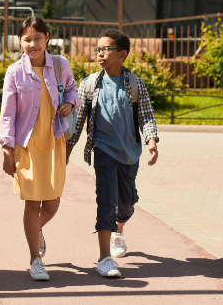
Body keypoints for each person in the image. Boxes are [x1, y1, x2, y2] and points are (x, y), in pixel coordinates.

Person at [66, 28, 159, 278]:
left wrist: (151, 141)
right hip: (103, 150)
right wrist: (67, 149)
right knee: (106, 201)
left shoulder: (135, 83)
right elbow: (78, 121)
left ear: (122, 54)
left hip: (130, 153)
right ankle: (104, 258)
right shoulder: (89, 84)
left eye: (106, 49)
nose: (100, 53)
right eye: (98, 49)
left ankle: (119, 231)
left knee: (126, 204)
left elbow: (146, 115)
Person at [0, 17, 79, 281]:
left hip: (54, 141)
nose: (32, 44)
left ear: (47, 38)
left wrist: (70, 103)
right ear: (20, 42)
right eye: (26, 39)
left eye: (37, 38)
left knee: (53, 204)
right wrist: (7, 151)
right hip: (27, 146)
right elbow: (7, 115)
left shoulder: (60, 64)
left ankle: (35, 230)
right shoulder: (14, 72)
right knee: (32, 204)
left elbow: (71, 89)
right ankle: (35, 259)